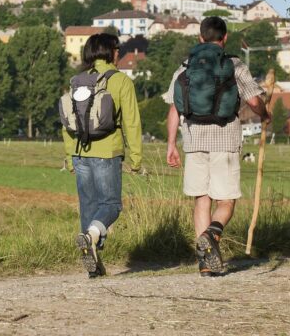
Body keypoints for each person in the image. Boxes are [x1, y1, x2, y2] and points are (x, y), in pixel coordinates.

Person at [164, 16, 270, 277]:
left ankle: (204, 262)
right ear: (225, 38)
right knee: (226, 202)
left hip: (193, 141)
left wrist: (171, 144)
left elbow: (174, 109)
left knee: (202, 200)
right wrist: (265, 114)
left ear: (200, 37)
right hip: (225, 140)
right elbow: (254, 101)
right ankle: (212, 234)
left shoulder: (185, 67)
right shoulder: (234, 64)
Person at [62, 33, 143, 278]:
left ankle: (94, 265)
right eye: (117, 49)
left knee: (89, 207)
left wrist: (70, 155)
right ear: (112, 52)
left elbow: (68, 122)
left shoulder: (78, 81)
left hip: (80, 152)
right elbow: (131, 122)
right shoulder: (121, 81)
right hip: (107, 152)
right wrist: (136, 157)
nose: (119, 53)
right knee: (111, 205)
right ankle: (91, 237)